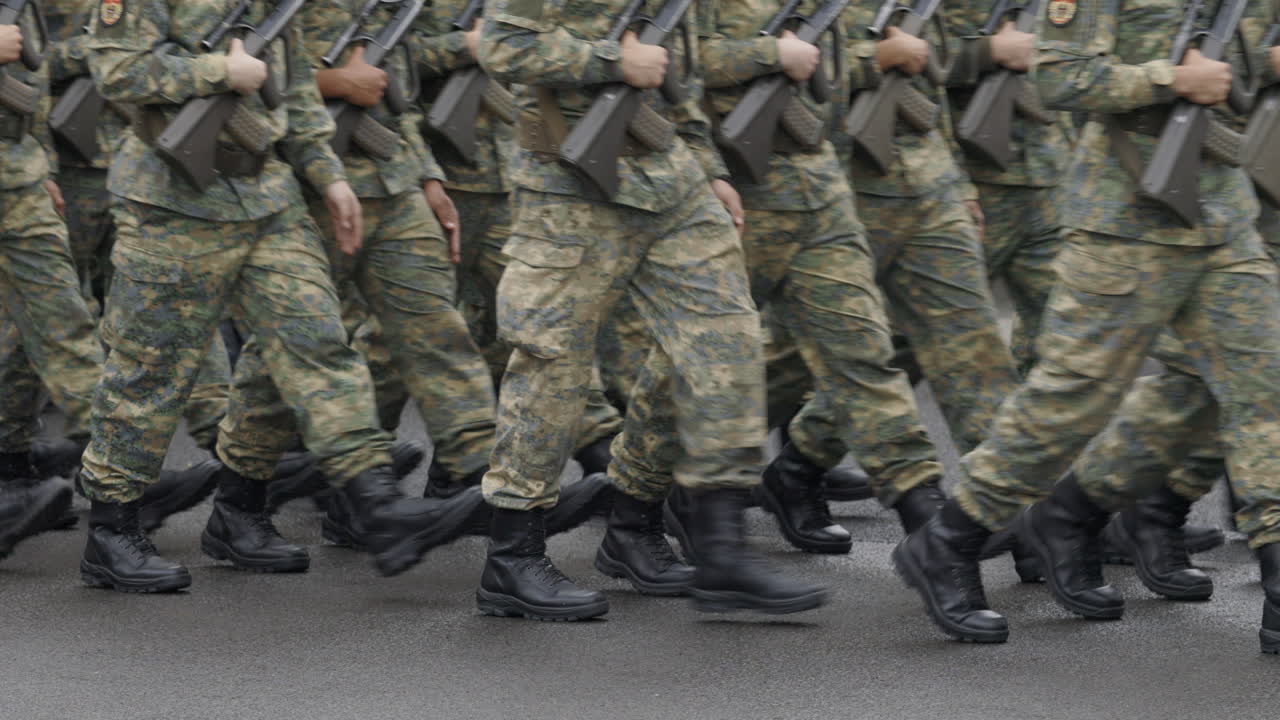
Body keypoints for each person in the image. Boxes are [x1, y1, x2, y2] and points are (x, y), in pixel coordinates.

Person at [893, 0, 1280, 650]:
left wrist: (1260, 63)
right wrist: (1171, 79)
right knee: (1071, 398)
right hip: (1125, 221)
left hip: (1223, 216)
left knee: (1263, 388)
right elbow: (1061, 77)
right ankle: (951, 538)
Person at [80, 0, 483, 592]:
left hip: (269, 197)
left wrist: (330, 178)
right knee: (151, 368)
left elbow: (295, 94)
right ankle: (112, 529)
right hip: (172, 203)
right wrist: (218, 71)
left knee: (317, 341)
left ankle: (377, 503)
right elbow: (117, 70)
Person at [473, 0, 827, 620]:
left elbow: (672, 67)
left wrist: (707, 164)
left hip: (671, 180)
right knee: (552, 363)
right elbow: (503, 45)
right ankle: (512, 554)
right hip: (568, 183)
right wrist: (611, 59)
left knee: (724, 341)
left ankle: (684, 537)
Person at [681, 0, 951, 562]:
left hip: (821, 189)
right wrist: (770, 53)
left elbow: (837, 81)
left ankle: (932, 529)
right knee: (711, 362)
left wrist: (865, 58)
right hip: (741, 190)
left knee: (864, 351)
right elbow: (677, 64)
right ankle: (639, 499)